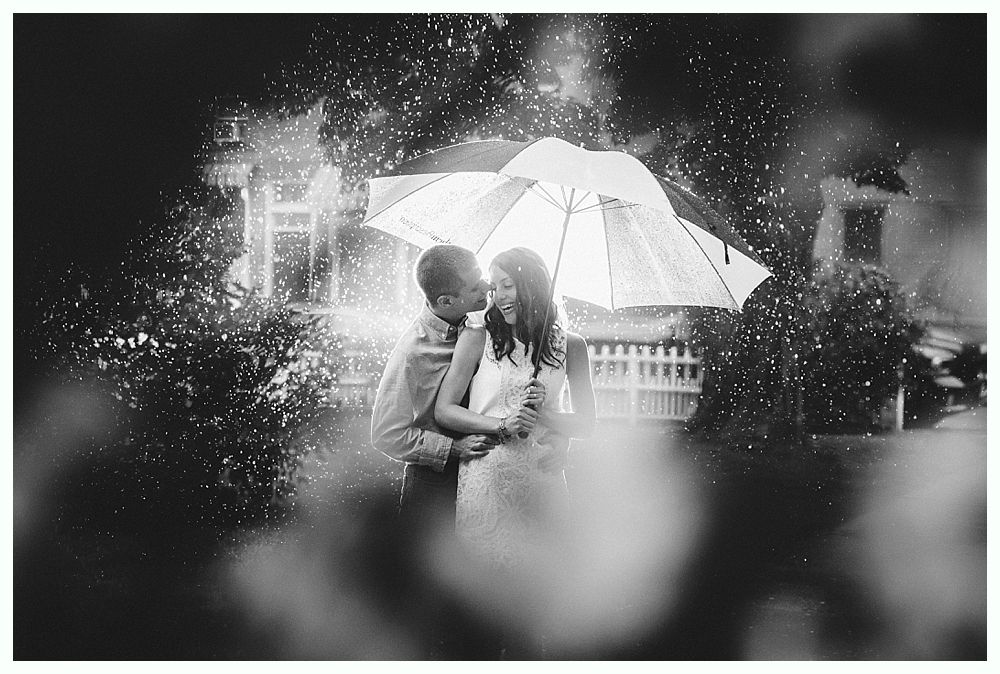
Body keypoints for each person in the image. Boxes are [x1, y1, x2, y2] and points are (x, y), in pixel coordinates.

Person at [434, 246, 596, 572]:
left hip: (542, 482)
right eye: (494, 288)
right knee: (481, 587)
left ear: (533, 283)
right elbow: (445, 409)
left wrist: (546, 416)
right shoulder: (477, 339)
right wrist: (501, 424)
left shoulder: (572, 345)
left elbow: (587, 425)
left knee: (540, 586)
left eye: (507, 284)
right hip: (486, 483)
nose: (499, 296)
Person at [370, 244, 500, 528]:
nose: (487, 286)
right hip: (433, 488)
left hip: (487, 475)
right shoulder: (412, 354)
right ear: (446, 301)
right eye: (475, 286)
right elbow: (385, 434)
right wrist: (452, 448)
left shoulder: (483, 321)